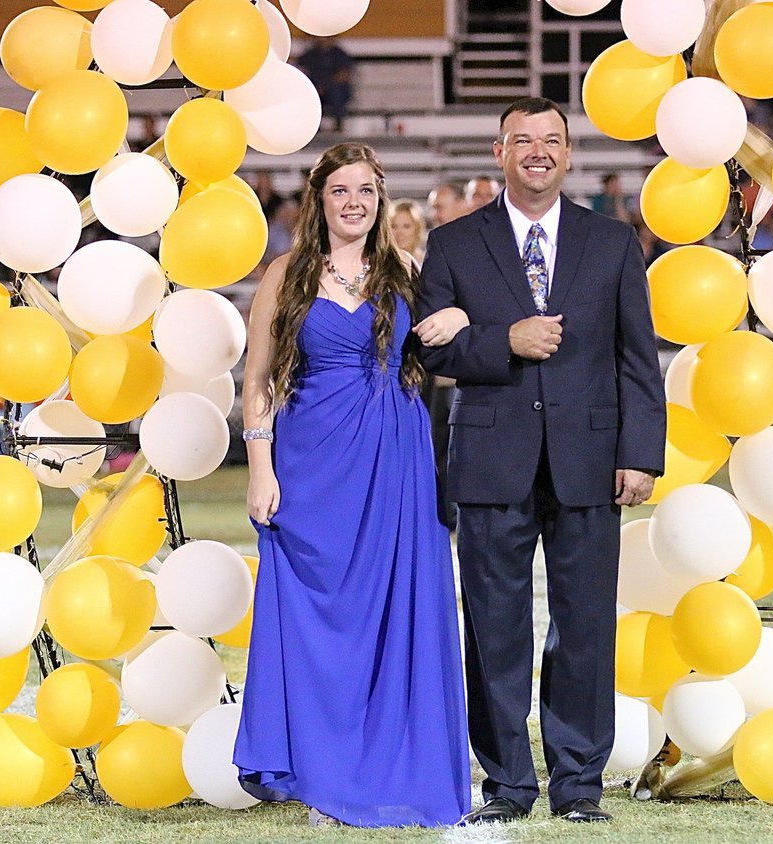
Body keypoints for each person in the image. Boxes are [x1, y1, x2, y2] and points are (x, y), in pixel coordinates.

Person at [417, 97, 666, 825]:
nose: (537, 151)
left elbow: (637, 359)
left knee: (584, 626)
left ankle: (578, 786)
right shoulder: (454, 243)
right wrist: (504, 341)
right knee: (494, 628)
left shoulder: (614, 243)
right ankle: (507, 786)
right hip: (492, 461)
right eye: (522, 140)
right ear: (499, 153)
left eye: (551, 140)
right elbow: (431, 347)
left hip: (591, 461)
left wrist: (639, 452)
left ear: (567, 154)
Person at [233, 142, 472, 828]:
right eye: (341, 190)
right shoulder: (286, 274)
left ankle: (393, 768)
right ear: (321, 200)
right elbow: (257, 380)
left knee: (394, 613)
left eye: (366, 190)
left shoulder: (406, 269)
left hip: (396, 462)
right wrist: (261, 467)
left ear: (379, 198)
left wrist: (458, 320)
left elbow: (441, 347)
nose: (355, 202)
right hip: (311, 462)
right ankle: (321, 770)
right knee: (319, 619)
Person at [296, 36, 354, 132]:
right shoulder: (310, 54)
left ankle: (338, 125)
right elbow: (301, 70)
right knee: (310, 95)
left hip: (333, 88)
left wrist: (326, 86)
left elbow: (344, 74)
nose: (322, 40)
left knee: (336, 93)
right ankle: (314, 127)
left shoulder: (339, 54)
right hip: (315, 88)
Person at [390, 199, 427, 264]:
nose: (400, 233)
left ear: (418, 228)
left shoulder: (429, 263)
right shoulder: (379, 263)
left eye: (406, 226)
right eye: (394, 226)